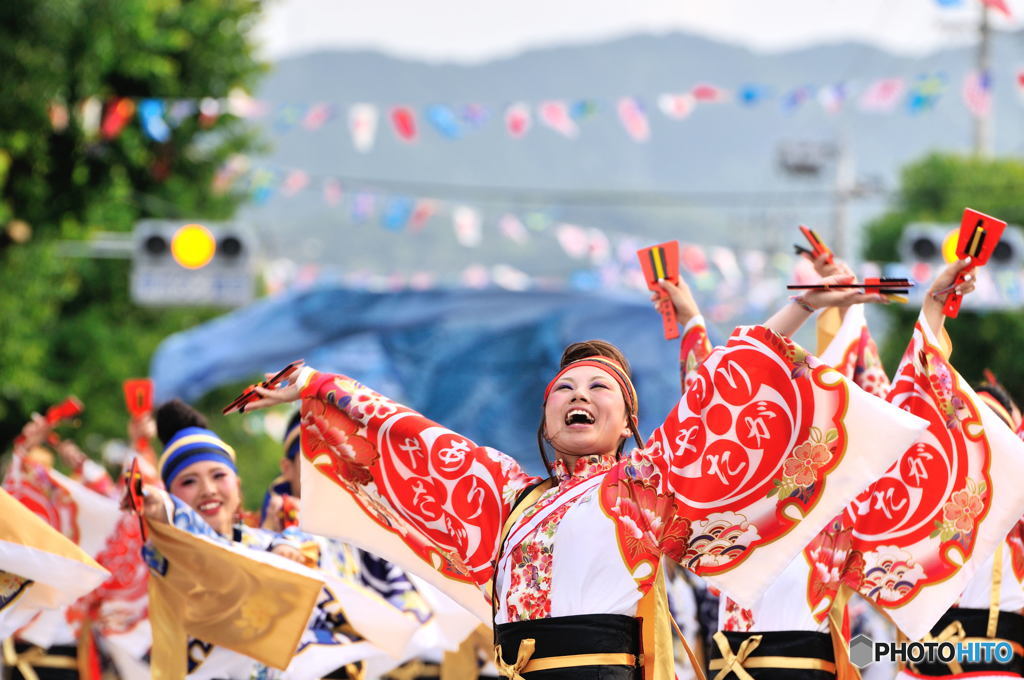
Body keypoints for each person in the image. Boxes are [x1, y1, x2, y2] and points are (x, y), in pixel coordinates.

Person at [238, 278, 927, 680]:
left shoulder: (643, 486)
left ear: (631, 423)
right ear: (544, 421)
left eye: (601, 387)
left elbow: (721, 398)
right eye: (565, 387)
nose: (580, 394)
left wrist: (798, 311)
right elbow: (412, 439)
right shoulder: (508, 497)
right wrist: (317, 385)